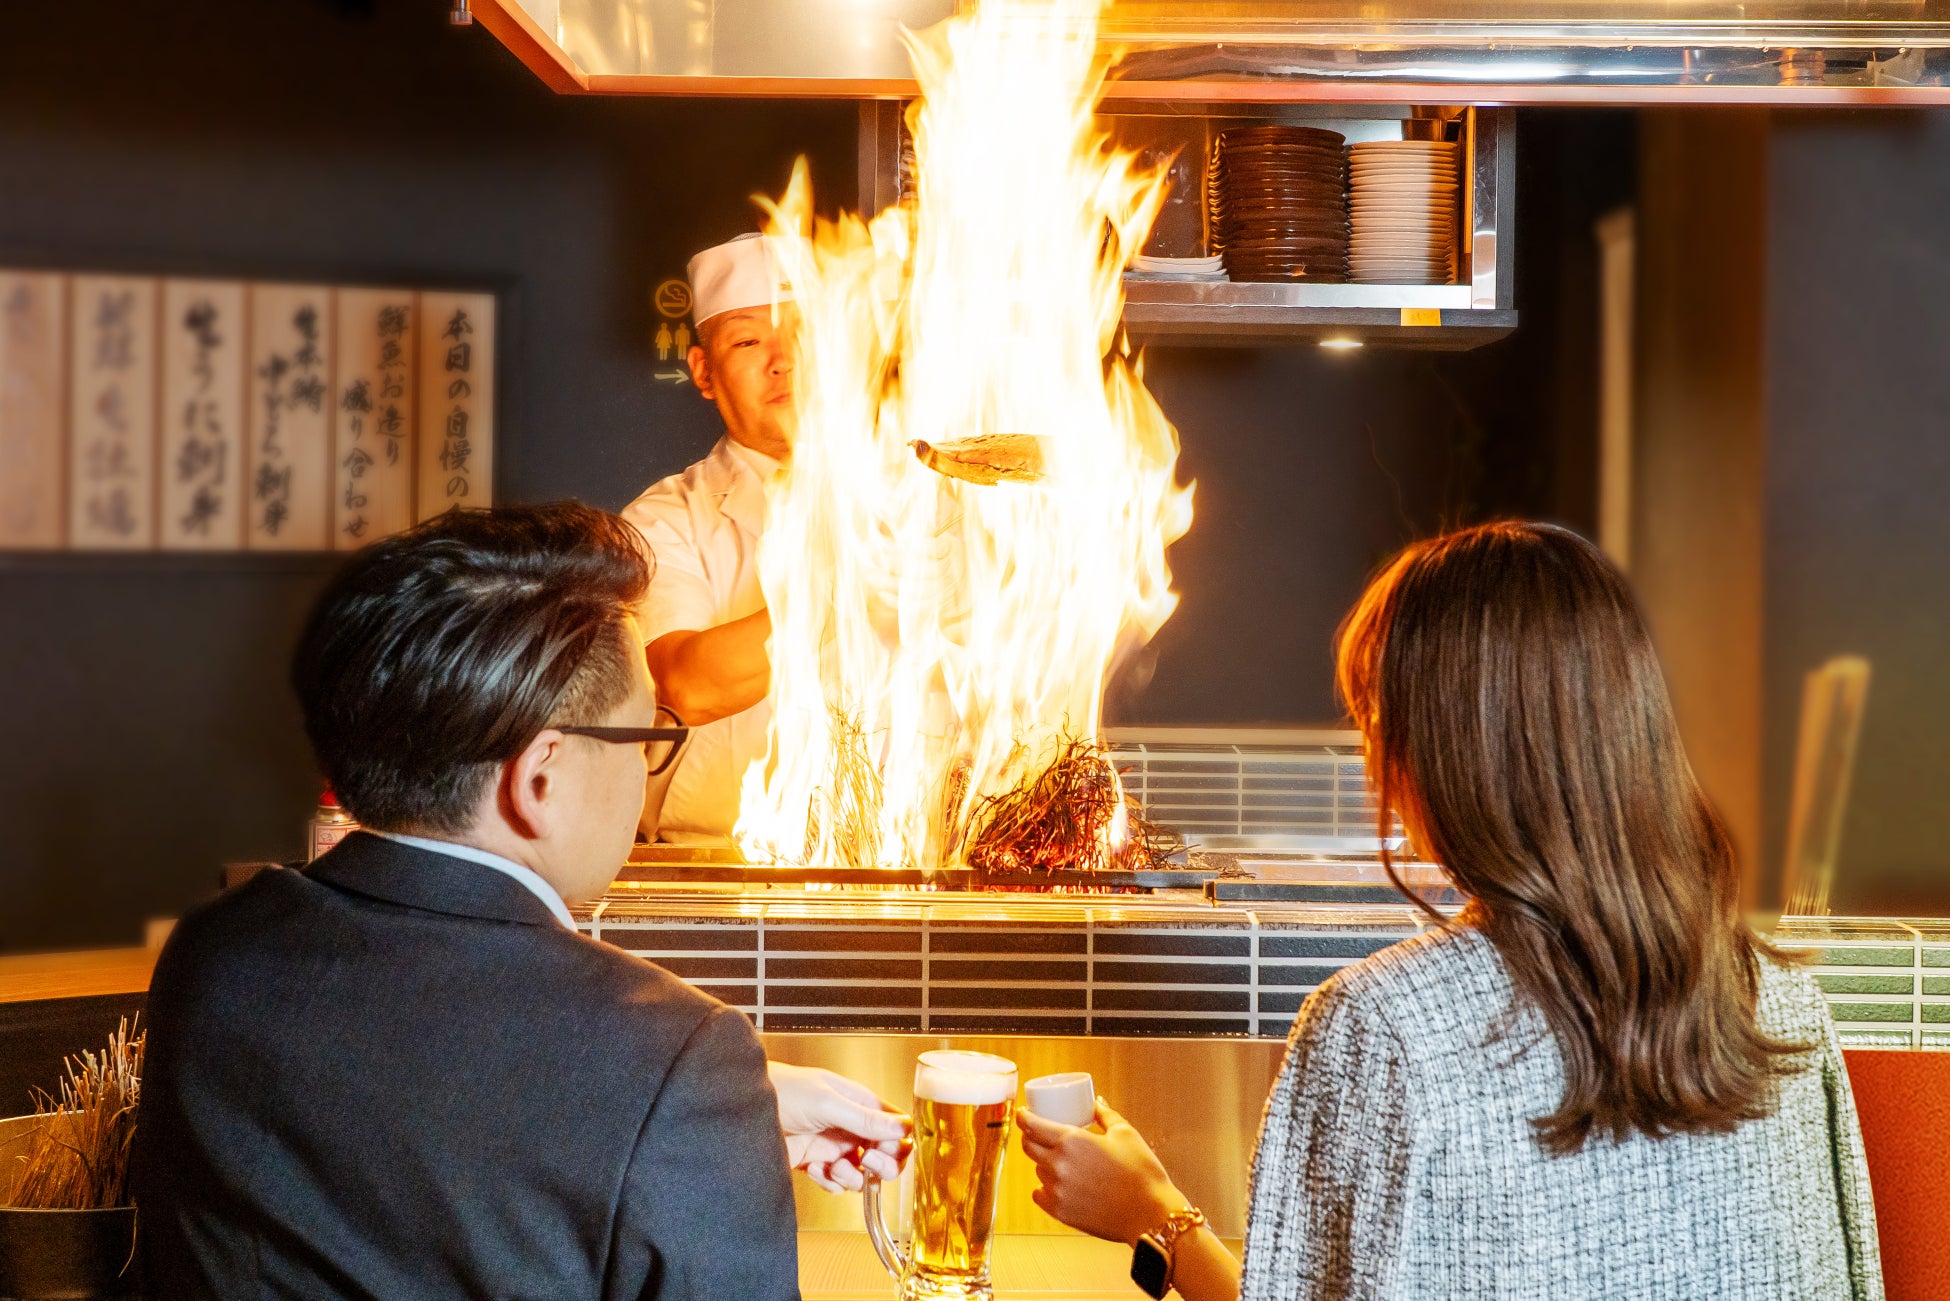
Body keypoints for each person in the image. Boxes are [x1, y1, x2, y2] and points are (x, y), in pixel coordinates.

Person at [1020, 521, 1884, 1301]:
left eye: (1374, 718)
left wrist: (1156, 1215)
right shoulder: (1787, 1009)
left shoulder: (1381, 1029)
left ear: (1432, 751)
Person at [130, 503, 895, 1298]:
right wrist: (690, 1111)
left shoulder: (213, 955)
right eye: (646, 739)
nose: (645, 773)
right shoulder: (682, 1056)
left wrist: (698, 1127)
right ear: (541, 777)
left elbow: (413, 1110)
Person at [623, 232, 795, 843]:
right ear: (703, 370)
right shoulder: (663, 520)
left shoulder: (925, 506)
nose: (784, 361)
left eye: (806, 337)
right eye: (749, 341)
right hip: (709, 867)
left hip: (907, 869)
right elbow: (684, 685)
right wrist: (859, 582)